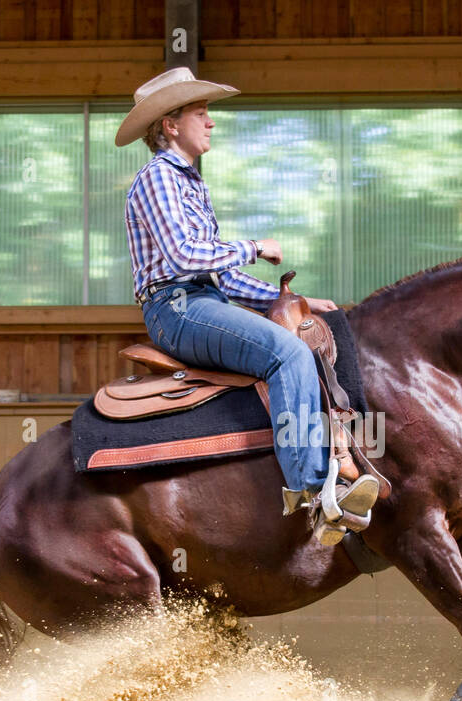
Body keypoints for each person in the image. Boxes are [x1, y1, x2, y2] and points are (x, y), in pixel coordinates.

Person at [117, 67, 378, 544]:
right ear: (170, 126)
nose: (210, 122)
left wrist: (289, 299)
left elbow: (220, 275)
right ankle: (312, 490)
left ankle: (338, 459)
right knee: (288, 354)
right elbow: (183, 256)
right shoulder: (158, 178)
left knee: (304, 336)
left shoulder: (191, 183)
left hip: (202, 299)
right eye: (200, 113)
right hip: (176, 308)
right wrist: (255, 246)